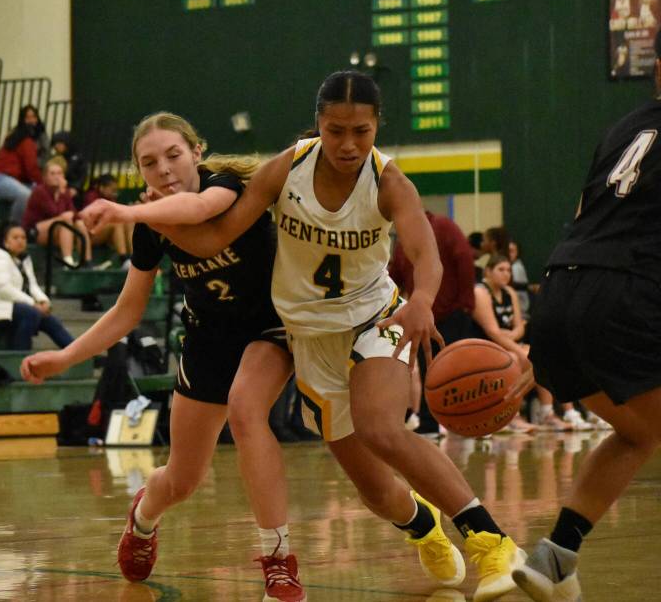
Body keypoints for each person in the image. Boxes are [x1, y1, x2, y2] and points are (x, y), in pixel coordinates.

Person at [150, 73, 526, 602]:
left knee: (381, 427)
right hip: (310, 337)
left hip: (375, 317)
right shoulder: (287, 169)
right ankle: (423, 526)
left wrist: (421, 300)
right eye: (336, 131)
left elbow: (426, 254)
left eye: (361, 131)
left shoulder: (389, 182)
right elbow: (216, 236)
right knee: (374, 490)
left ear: (377, 127)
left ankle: (494, 544)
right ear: (319, 125)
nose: (348, 144)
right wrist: (146, 216)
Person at [23, 112, 306, 602]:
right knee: (181, 479)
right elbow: (127, 310)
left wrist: (125, 212)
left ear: (196, 152)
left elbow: (198, 209)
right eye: (149, 163)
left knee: (246, 410)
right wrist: (65, 357)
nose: (164, 169)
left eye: (174, 155)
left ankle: (279, 563)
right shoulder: (149, 227)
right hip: (207, 341)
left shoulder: (224, 186)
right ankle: (143, 517)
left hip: (268, 328)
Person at [512, 32, 661, 602]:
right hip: (624, 293)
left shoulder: (622, 129)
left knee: (638, 433)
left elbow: (584, 214)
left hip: (561, 287)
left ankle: (555, 556)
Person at [389, 210, 477, 434]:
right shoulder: (403, 242)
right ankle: (430, 422)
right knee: (428, 368)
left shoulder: (444, 227)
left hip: (453, 312)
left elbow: (465, 259)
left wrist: (466, 303)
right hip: (422, 317)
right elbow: (394, 276)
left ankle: (467, 417)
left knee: (457, 370)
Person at [0, 221, 73, 350]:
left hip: (10, 307)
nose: (20, 241)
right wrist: (33, 304)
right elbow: (4, 290)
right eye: (15, 238)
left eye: (23, 238)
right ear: (5, 242)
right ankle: (19, 355)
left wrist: (44, 301)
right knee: (30, 313)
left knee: (50, 320)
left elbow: (32, 285)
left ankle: (78, 353)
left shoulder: (24, 260)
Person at [471, 255, 540, 433]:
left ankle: (550, 413)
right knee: (513, 359)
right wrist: (517, 347)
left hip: (506, 345)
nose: (506, 274)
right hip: (482, 348)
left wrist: (510, 336)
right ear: (488, 271)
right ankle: (511, 416)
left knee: (542, 356)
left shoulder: (510, 292)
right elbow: (493, 332)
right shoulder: (480, 292)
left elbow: (520, 328)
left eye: (509, 270)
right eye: (501, 269)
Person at [22, 161, 92, 268]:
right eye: (52, 173)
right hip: (34, 231)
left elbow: (74, 214)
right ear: (45, 177)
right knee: (64, 220)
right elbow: (54, 212)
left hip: (56, 228)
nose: (57, 177)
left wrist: (73, 215)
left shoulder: (64, 192)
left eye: (59, 173)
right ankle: (68, 261)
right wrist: (62, 193)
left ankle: (87, 262)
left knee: (79, 223)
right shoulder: (40, 191)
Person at [0, 104, 44, 223]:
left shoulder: (15, 137)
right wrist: (43, 184)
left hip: (8, 180)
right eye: (28, 117)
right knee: (26, 196)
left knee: (40, 195)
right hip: (0, 179)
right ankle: (14, 228)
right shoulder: (26, 141)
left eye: (34, 117)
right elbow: (31, 169)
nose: (31, 121)